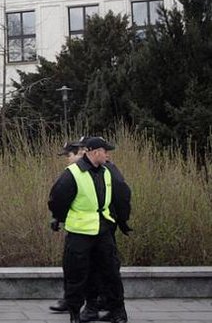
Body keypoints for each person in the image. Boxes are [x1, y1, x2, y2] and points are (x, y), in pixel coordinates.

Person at [48, 136, 132, 323]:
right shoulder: (73, 173)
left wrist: (122, 220)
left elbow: (121, 195)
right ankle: (75, 314)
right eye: (105, 151)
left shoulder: (107, 171)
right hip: (80, 234)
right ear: (95, 152)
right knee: (76, 275)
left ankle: (118, 312)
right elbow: (57, 199)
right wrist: (59, 218)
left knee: (111, 273)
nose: (108, 154)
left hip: (103, 231)